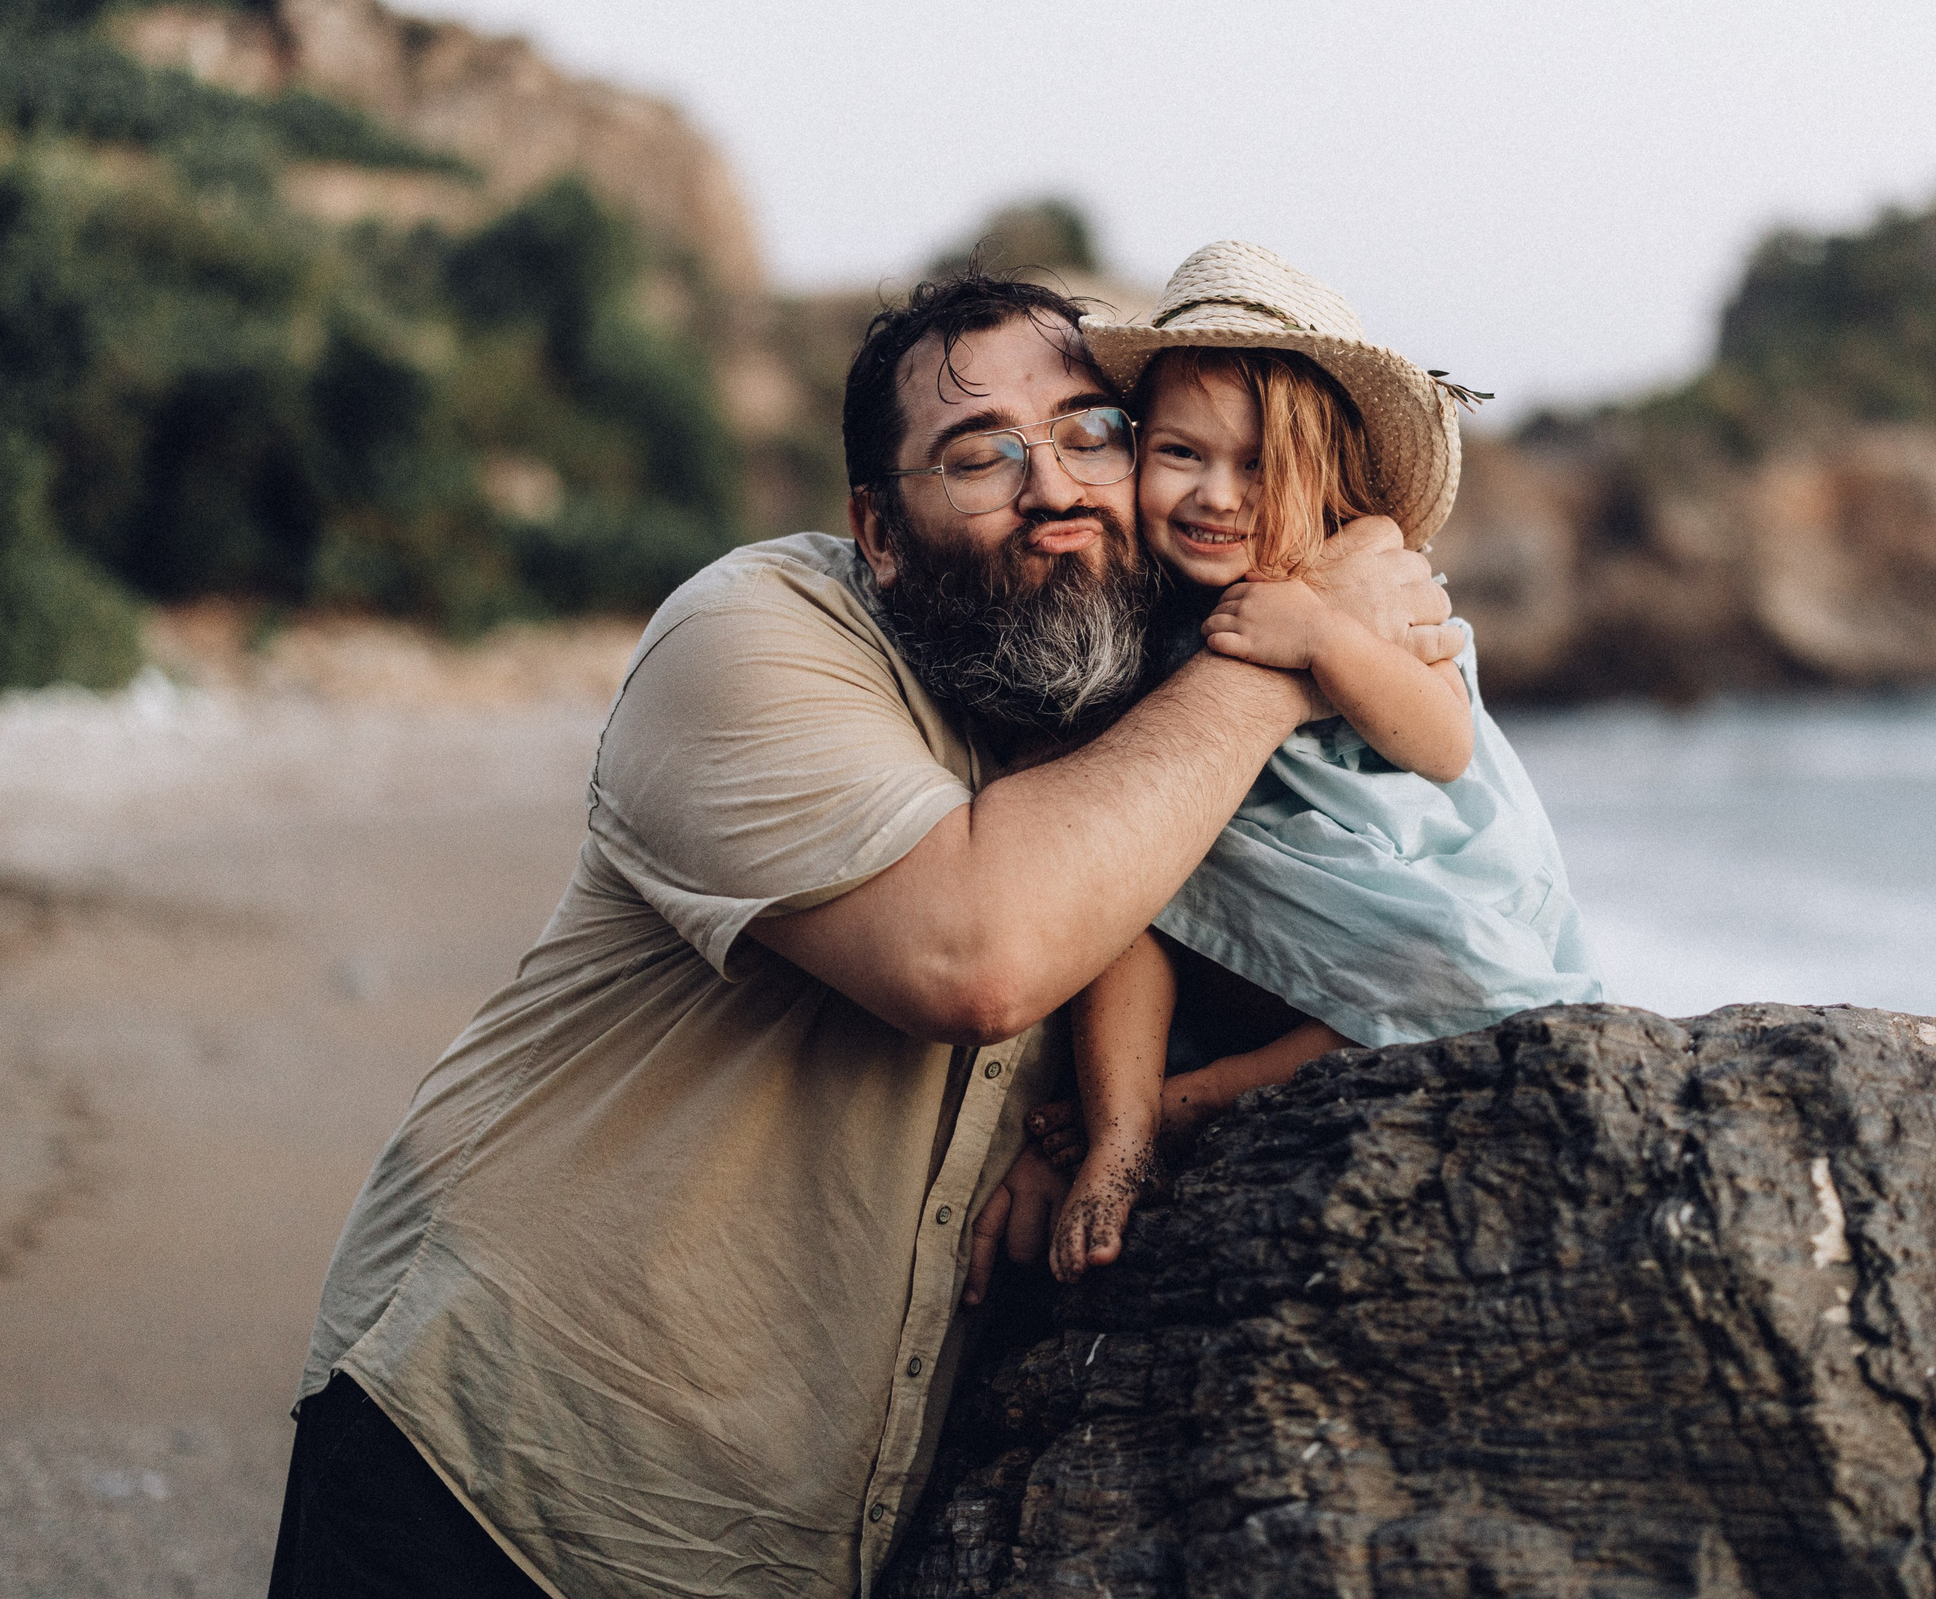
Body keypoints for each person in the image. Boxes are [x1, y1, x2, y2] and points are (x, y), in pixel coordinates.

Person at [266, 270, 1461, 1599]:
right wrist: (1289, 655)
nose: (1054, 487)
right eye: (978, 453)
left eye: (1091, 432)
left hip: (787, 1554)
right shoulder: (753, 636)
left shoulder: (1144, 747)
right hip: (492, 1477)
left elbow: (1405, 972)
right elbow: (978, 951)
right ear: (878, 528)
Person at [1040, 241, 1606, 1281]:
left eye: (1258, 466)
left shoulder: (1364, 583)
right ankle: (1118, 1135)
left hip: (1387, 889)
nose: (1216, 495)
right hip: (1233, 893)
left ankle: (1205, 1097)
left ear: (1328, 482)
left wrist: (1326, 641)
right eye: (1181, 454)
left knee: (1465, 976)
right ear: (1132, 453)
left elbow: (1441, 743)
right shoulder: (1135, 609)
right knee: (1124, 896)